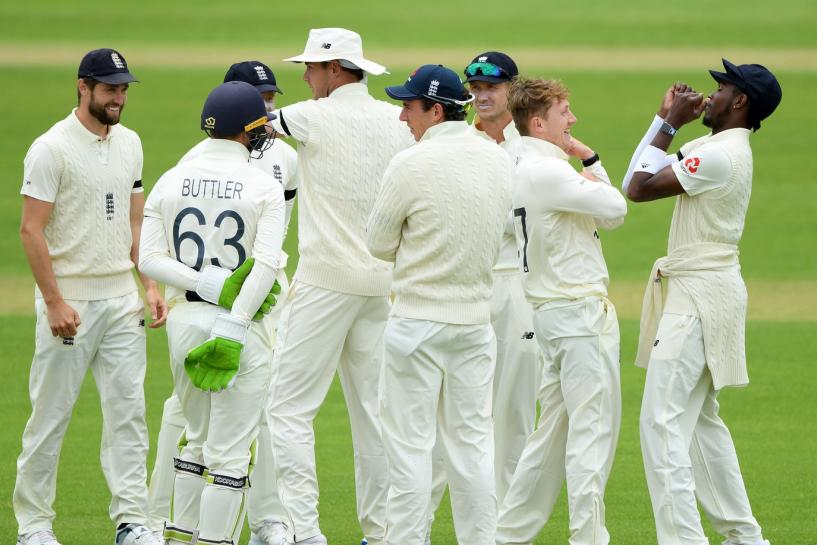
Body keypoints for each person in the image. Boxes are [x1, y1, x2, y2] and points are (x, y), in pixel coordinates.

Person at [264, 27, 414, 545]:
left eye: (310, 68)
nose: (303, 77)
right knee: (375, 415)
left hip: (325, 282)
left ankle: (304, 532)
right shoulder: (395, 119)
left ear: (333, 69)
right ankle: (382, 533)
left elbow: (249, 119)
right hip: (381, 285)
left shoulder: (309, 116)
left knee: (286, 409)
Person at [624, 59, 781, 545]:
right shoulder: (714, 146)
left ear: (740, 102)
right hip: (706, 291)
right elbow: (638, 174)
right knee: (697, 427)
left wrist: (670, 125)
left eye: (721, 88)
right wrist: (663, 122)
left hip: (698, 298)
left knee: (661, 424)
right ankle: (745, 537)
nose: (709, 94)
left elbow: (636, 190)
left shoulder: (721, 155)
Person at [14, 47, 167, 545]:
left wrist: (148, 283)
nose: (119, 98)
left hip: (122, 300)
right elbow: (30, 231)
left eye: (123, 88)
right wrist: (55, 301)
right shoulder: (50, 149)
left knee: (128, 416)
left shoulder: (131, 143)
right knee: (50, 417)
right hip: (70, 305)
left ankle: (131, 522)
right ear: (83, 86)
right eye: (110, 89)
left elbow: (134, 219)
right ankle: (34, 526)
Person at [145, 60, 297, 545]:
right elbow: (266, 265)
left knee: (196, 438)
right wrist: (232, 324)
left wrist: (206, 286)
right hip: (241, 327)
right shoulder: (263, 185)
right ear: (247, 130)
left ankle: (177, 536)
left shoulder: (173, 177)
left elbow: (148, 258)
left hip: (185, 322)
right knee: (231, 456)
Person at [368, 63, 511, 545]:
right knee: (471, 449)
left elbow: (376, 243)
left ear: (435, 110)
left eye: (408, 106)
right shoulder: (497, 158)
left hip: (416, 323)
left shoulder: (409, 163)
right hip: (475, 324)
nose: (401, 116)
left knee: (409, 450)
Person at [497, 77, 627, 545]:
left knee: (549, 438)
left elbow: (608, 217)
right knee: (591, 437)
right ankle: (588, 539)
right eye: (564, 112)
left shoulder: (524, 165)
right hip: (578, 318)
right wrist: (589, 159)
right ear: (538, 122)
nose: (572, 120)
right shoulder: (548, 172)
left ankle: (507, 535)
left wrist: (582, 164)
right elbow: (616, 208)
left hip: (554, 317)